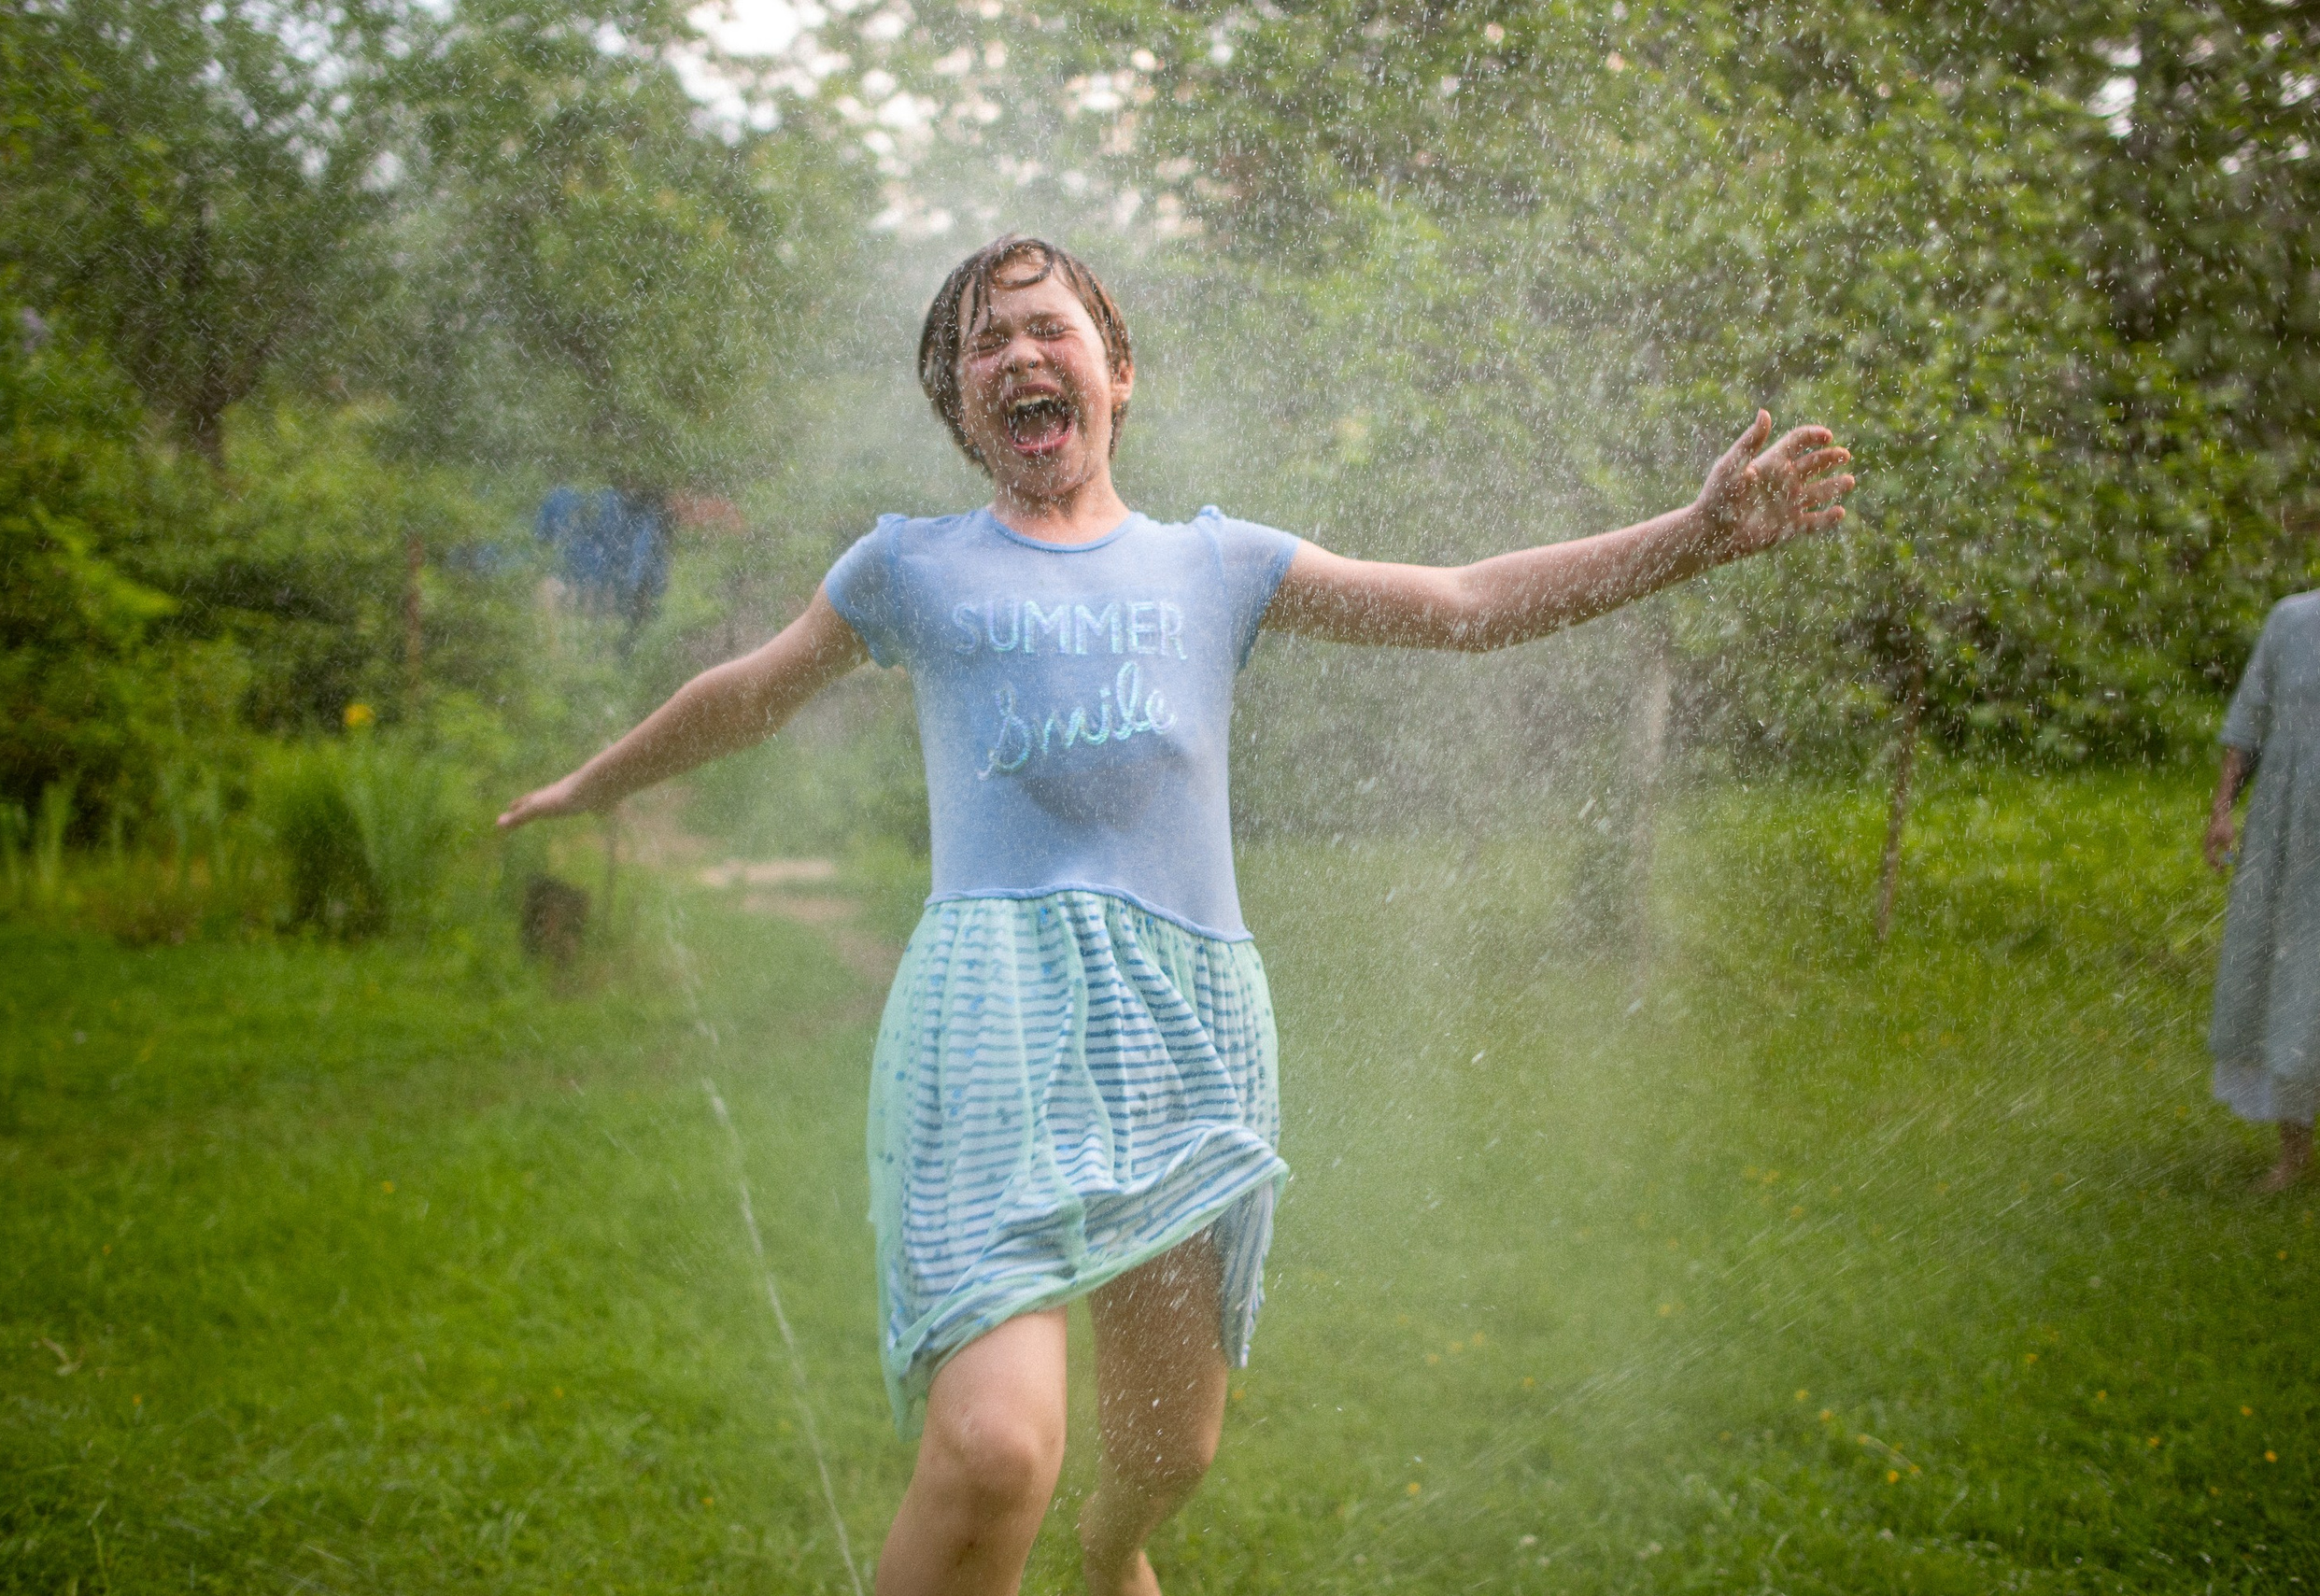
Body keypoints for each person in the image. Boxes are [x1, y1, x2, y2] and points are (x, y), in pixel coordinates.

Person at [498, 235, 1855, 1596]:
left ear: (1118, 374)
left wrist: (1696, 536)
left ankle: (1115, 1548)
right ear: (961, 408)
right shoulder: (911, 570)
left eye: (1048, 328)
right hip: (993, 1024)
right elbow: (749, 691)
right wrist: (594, 782)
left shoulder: (1218, 568)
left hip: (1187, 1034)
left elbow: (1463, 605)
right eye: (984, 342)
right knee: (993, 1451)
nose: (1019, 354)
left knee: (1172, 1448)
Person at [2204, 592, 2320, 1191]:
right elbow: (2249, 720)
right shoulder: (2292, 620)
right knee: (2290, 974)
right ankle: (2294, 1155)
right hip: (2291, 825)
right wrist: (2223, 810)